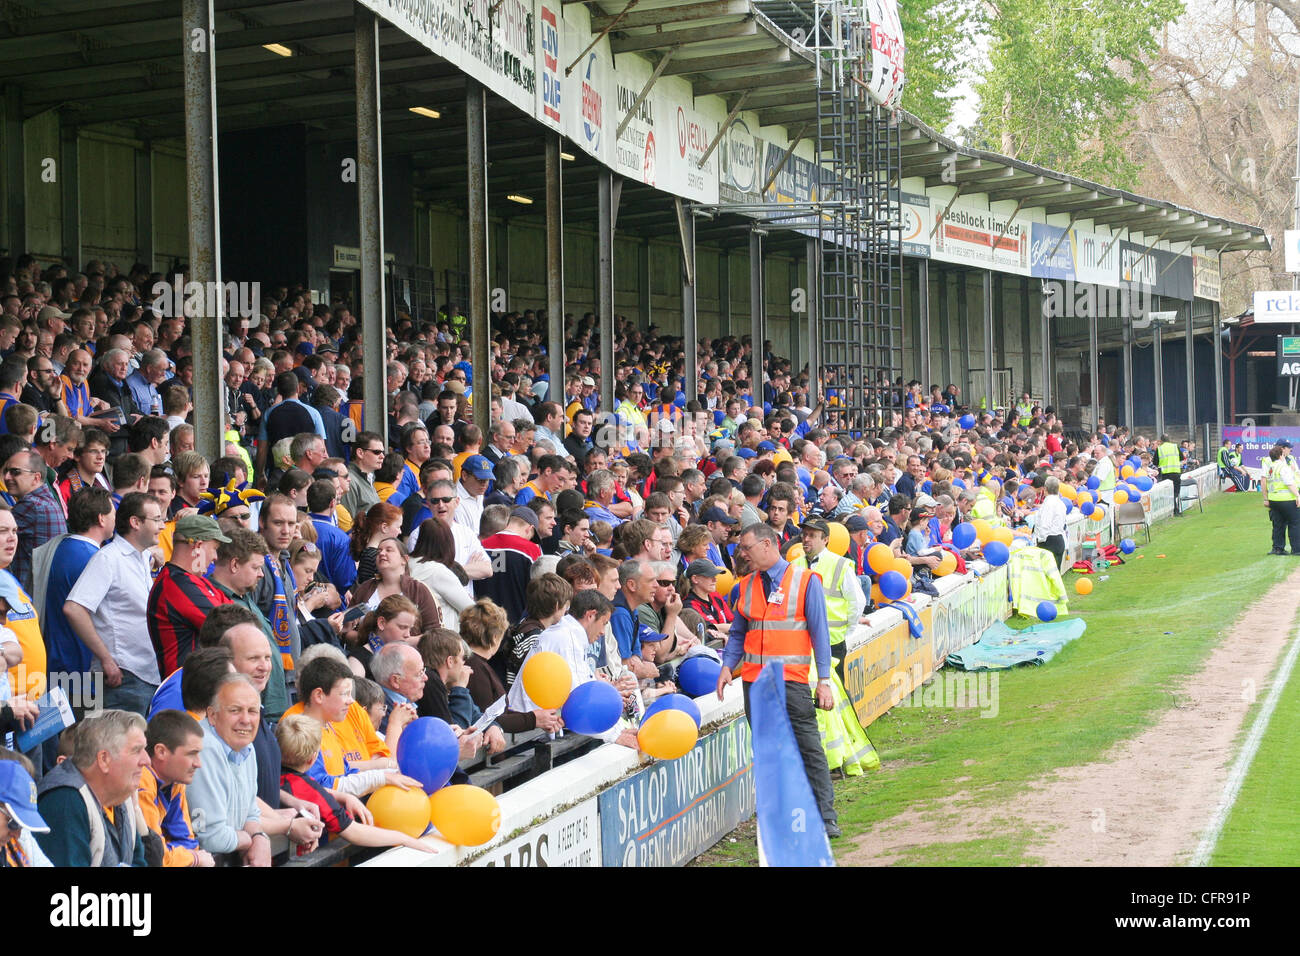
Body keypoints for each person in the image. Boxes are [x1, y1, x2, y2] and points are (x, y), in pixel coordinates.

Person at [717, 523, 840, 838]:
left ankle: (825, 818)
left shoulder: (805, 581)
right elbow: (738, 633)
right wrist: (726, 667)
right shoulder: (744, 585)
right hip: (755, 684)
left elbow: (820, 634)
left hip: (791, 682)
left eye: (746, 547)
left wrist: (823, 680)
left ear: (768, 545)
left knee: (808, 749)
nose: (741, 554)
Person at [63, 492, 163, 715]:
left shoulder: (142, 557)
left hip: (146, 675)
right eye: (156, 520)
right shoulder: (108, 558)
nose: (163, 526)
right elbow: (74, 608)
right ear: (135, 522)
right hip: (123, 678)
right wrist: (107, 660)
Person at [276, 714, 433, 855]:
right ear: (313, 758)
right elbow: (354, 833)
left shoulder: (267, 775)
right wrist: (403, 838)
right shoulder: (311, 792)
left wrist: (340, 795)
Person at [35, 710, 150, 867]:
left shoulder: (120, 795)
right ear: (104, 759)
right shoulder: (65, 801)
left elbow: (140, 862)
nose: (146, 760)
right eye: (136, 750)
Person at [137, 709, 216, 867]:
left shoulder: (175, 782)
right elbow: (157, 857)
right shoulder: (142, 782)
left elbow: (188, 841)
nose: (198, 763)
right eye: (191, 754)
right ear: (161, 752)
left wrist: (181, 855)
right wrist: (194, 859)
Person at [1262, 443, 1300, 556]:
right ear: (1280, 455)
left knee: (1278, 524)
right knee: (1294, 523)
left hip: (1274, 500)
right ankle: (1297, 549)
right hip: (1287, 499)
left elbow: (1265, 481)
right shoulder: (1283, 467)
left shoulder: (1271, 467)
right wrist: (1297, 495)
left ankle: (1277, 548)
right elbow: (1289, 483)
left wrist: (1266, 498)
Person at [1035, 476, 1068, 570]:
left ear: (1045, 489)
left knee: (1047, 574)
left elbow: (1045, 524)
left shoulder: (1048, 504)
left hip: (1049, 541)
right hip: (1058, 539)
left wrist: (1040, 541)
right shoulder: (1060, 503)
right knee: (1055, 575)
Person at [1156, 433, 1183, 516]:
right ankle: (1176, 510)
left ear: (1161, 441)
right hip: (1176, 472)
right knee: (1176, 492)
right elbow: (1181, 458)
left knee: (1168, 493)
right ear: (1169, 440)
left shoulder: (1159, 449)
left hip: (1165, 473)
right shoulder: (1175, 447)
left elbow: (1155, 462)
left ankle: (1172, 510)